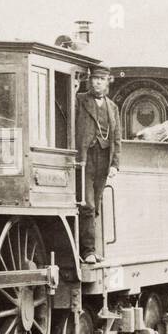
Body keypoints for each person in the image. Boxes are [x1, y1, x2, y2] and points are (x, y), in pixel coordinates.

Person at [75, 65, 121, 262]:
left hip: (104, 157)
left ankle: (90, 249)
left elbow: (117, 137)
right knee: (87, 203)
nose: (96, 82)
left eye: (101, 79)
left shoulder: (113, 107)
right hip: (85, 157)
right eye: (94, 79)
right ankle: (87, 251)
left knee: (96, 205)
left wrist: (115, 164)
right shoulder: (79, 100)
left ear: (107, 81)